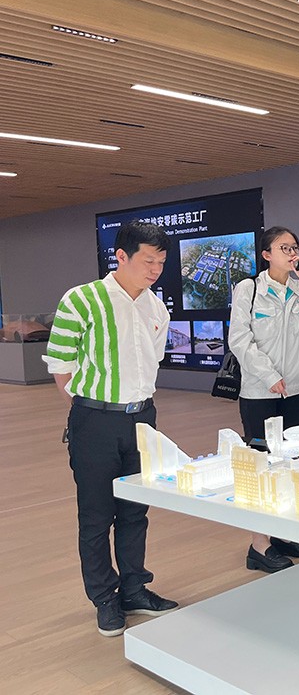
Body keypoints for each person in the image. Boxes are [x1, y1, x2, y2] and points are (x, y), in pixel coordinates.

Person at [43, 220, 179, 637]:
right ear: (121, 256)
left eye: (161, 262)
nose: (155, 270)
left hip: (142, 418)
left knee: (136, 510)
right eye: (148, 261)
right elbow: (61, 366)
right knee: (97, 514)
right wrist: (89, 411)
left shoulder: (157, 308)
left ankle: (135, 589)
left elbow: (152, 363)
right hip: (95, 419)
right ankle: (105, 597)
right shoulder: (82, 300)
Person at [229, 226, 299, 573]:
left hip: (295, 389)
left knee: (289, 463)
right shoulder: (249, 289)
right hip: (260, 391)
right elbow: (239, 339)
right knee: (261, 464)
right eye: (284, 248)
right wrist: (269, 376)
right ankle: (259, 544)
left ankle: (284, 533)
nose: (292, 253)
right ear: (266, 254)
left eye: (295, 247)